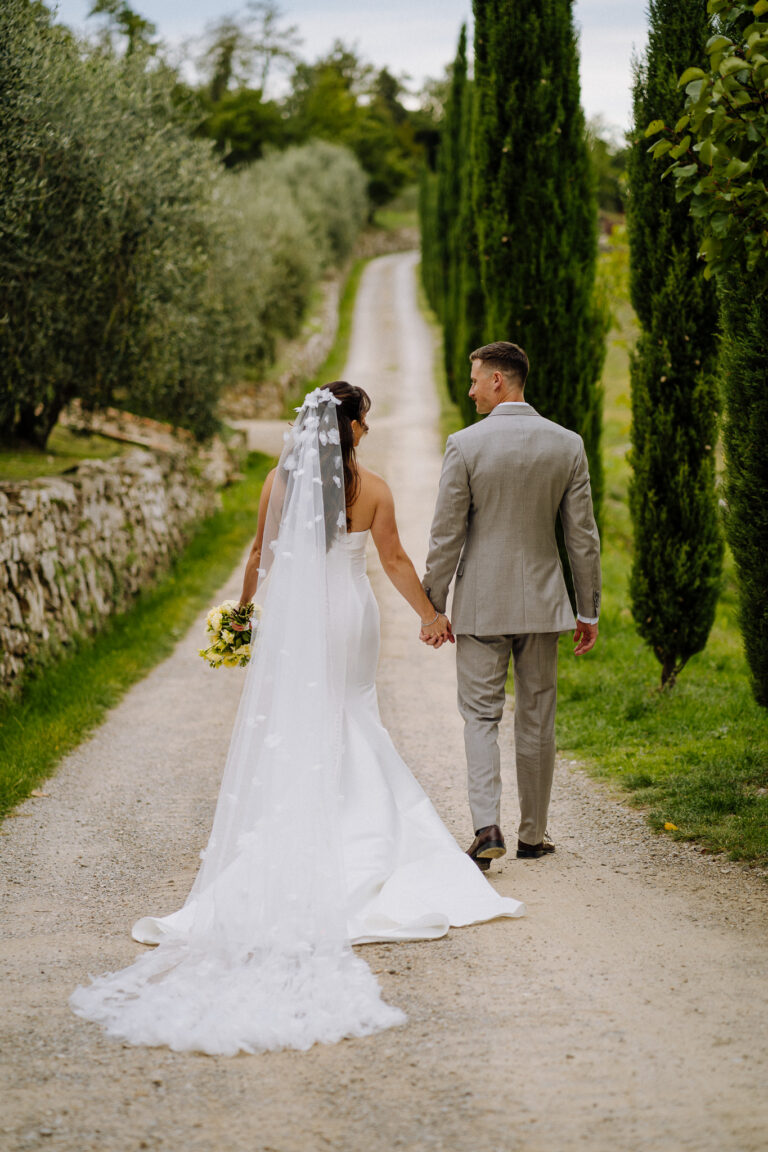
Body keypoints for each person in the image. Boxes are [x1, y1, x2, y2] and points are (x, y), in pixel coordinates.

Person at [70, 382, 524, 1057]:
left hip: (292, 619)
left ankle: (306, 831)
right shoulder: (370, 488)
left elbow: (259, 555)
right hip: (346, 615)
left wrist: (245, 614)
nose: (368, 428)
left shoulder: (278, 484)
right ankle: (363, 833)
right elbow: (394, 559)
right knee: (352, 713)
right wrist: (430, 614)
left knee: (314, 719)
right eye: (365, 418)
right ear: (350, 426)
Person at [421, 342, 601, 871]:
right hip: (545, 605)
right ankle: (533, 834)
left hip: (480, 605)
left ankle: (486, 828)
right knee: (537, 717)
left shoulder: (465, 445)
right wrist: (586, 609)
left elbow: (445, 535)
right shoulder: (567, 444)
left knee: (480, 716)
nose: (471, 388)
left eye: (476, 379)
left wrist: (434, 607)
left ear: (500, 380)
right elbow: (582, 538)